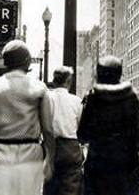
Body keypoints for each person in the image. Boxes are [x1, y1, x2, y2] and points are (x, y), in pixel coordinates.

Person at [0, 40, 54, 195]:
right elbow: (48, 130)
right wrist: (50, 160)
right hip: (30, 156)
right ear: (27, 61)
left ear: (5, 61)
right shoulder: (40, 89)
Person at [77, 55, 139, 195]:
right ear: (119, 73)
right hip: (126, 166)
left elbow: (82, 135)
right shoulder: (130, 98)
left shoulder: (93, 98)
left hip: (98, 167)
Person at [44, 66, 83, 195]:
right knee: (70, 189)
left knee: (49, 187)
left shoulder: (46, 99)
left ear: (54, 80)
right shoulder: (77, 101)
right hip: (70, 148)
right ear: (69, 81)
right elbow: (80, 128)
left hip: (49, 146)